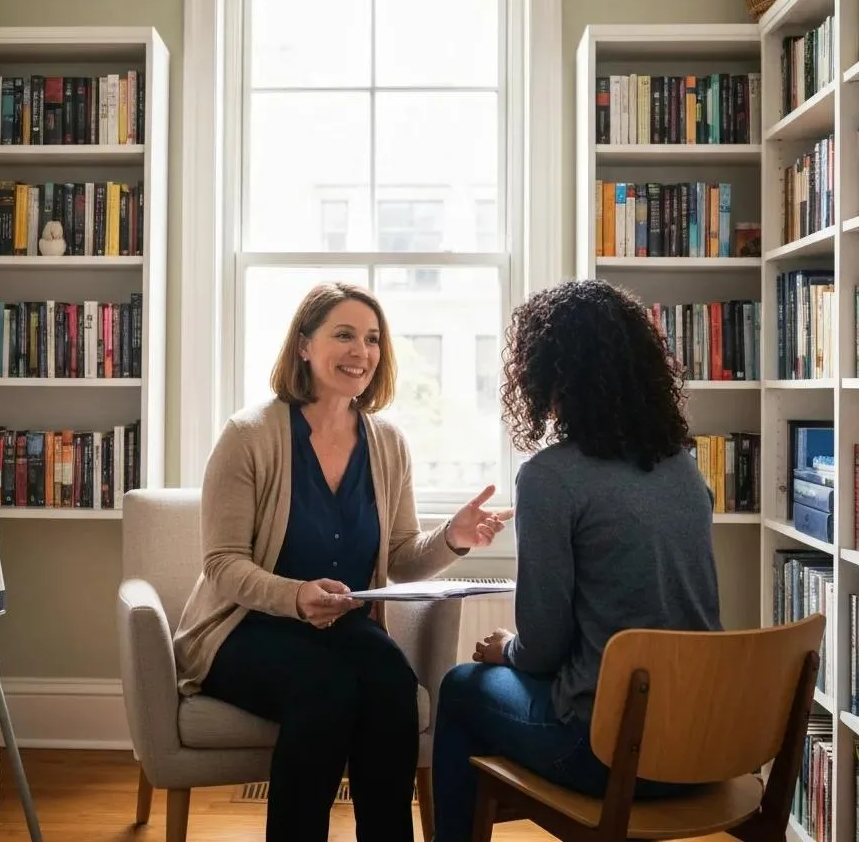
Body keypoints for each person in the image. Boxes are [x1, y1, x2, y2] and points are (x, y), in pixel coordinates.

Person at [173, 281, 511, 842]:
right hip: (244, 629)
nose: (363, 352)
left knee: (393, 686)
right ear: (304, 345)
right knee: (324, 689)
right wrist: (295, 596)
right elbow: (222, 564)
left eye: (373, 339)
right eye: (345, 335)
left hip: (344, 627)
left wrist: (453, 537)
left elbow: (400, 560)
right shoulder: (249, 436)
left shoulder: (387, 443)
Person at [431, 278, 722, 842]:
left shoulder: (550, 477)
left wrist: (505, 651)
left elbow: (540, 651)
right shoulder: (682, 468)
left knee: (463, 687)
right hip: (702, 746)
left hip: (609, 755)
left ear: (549, 377)